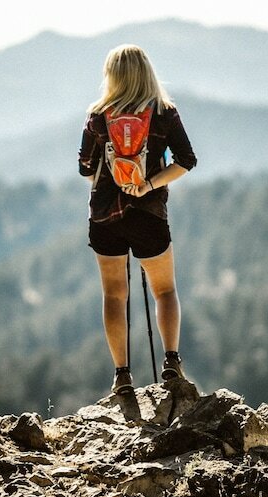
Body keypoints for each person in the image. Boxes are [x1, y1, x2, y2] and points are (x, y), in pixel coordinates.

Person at [78, 43, 197, 394]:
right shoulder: (164, 112)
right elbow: (186, 160)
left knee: (115, 295)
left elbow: (85, 168)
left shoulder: (99, 115)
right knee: (164, 290)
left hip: (104, 216)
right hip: (148, 215)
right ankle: (171, 361)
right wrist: (148, 184)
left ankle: (121, 375)